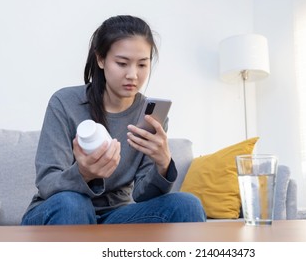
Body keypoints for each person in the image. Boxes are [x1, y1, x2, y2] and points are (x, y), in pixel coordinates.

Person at [21, 15, 206, 225]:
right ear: (101, 59)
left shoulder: (150, 116)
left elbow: (144, 196)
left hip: (115, 217)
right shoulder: (64, 103)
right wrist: (83, 173)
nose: (133, 75)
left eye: (142, 65)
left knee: (187, 204)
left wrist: (162, 164)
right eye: (122, 63)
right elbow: (47, 183)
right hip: (58, 211)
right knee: (74, 204)